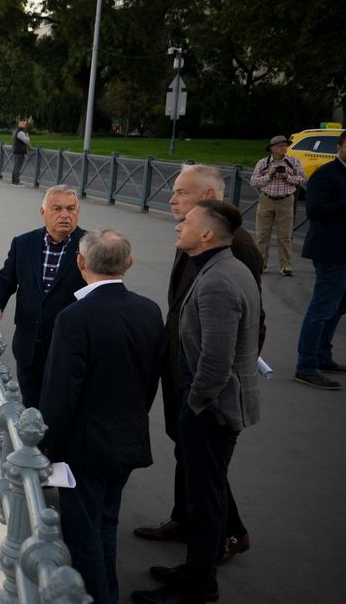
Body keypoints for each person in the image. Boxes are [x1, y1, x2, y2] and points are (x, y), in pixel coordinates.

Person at [132, 201, 261, 604]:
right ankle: (193, 571)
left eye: (186, 222)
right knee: (207, 494)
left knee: (207, 502)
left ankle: (198, 586)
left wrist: (195, 404)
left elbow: (216, 360)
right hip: (215, 407)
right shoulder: (225, 268)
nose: (178, 226)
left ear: (206, 234)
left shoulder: (219, 280)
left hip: (211, 411)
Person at [40, 229, 164, 604]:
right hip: (127, 438)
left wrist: (45, 447)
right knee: (107, 523)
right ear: (129, 263)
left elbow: (60, 393)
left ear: (80, 264)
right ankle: (108, 591)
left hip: (84, 447)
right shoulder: (149, 309)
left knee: (83, 535)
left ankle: (99, 597)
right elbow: (150, 377)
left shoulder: (75, 317)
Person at [0, 185, 86, 409]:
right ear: (43, 212)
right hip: (29, 344)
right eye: (57, 208)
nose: (65, 215)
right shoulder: (23, 243)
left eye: (71, 208)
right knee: (31, 405)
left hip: (69, 347)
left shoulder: (91, 246)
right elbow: (5, 280)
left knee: (65, 409)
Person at [294, 129, 346, 390]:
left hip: (344, 253)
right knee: (322, 308)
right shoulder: (326, 174)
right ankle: (306, 366)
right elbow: (314, 210)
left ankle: (323, 357)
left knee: (337, 308)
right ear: (340, 147)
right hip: (331, 252)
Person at [249, 134, 306, 276]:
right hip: (266, 199)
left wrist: (288, 177)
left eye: (285, 145)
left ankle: (285, 266)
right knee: (262, 234)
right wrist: (269, 175)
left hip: (286, 200)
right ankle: (261, 265)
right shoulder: (263, 163)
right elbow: (254, 181)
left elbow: (302, 179)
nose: (284, 148)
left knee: (285, 235)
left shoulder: (293, 161)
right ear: (272, 148)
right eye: (280, 146)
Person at [11, 118, 31, 186]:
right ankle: (16, 182)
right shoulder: (20, 132)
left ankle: (13, 181)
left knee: (16, 167)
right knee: (18, 167)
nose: (24, 125)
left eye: (25, 123)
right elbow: (27, 141)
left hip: (16, 151)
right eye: (23, 123)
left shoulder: (16, 131)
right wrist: (28, 136)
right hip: (19, 152)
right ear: (19, 124)